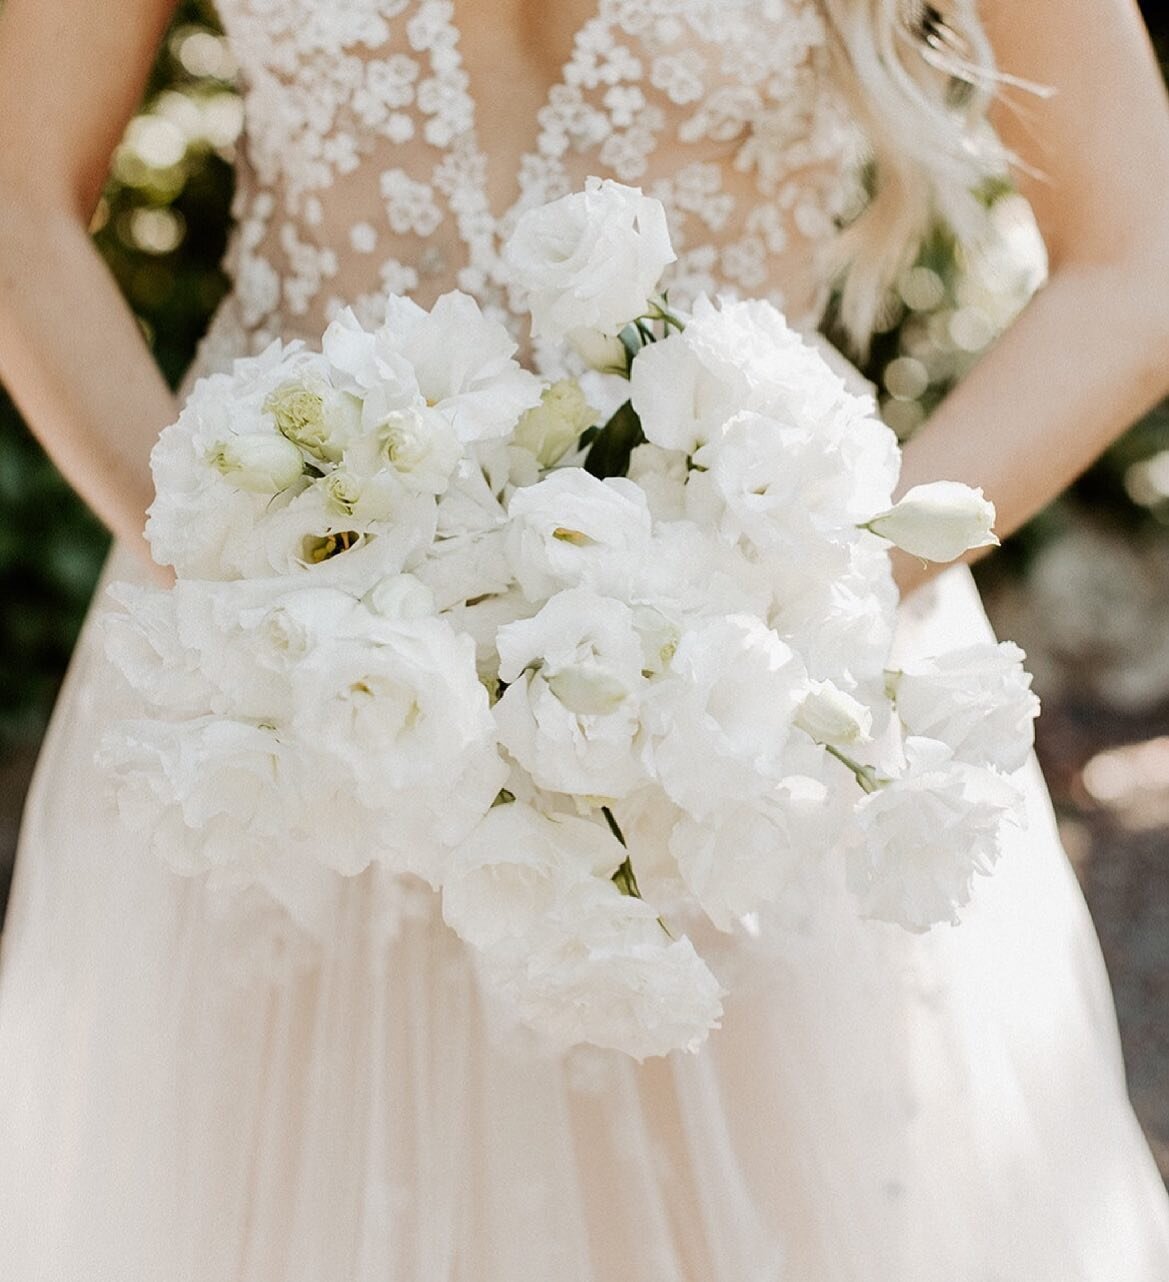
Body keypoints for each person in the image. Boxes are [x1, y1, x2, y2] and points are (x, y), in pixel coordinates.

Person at [1, 0, 1168, 1277]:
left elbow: (1138, 250)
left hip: (733, 708)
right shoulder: (246, 623)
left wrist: (806, 585)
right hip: (282, 704)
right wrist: (225, 582)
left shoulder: (769, 623)